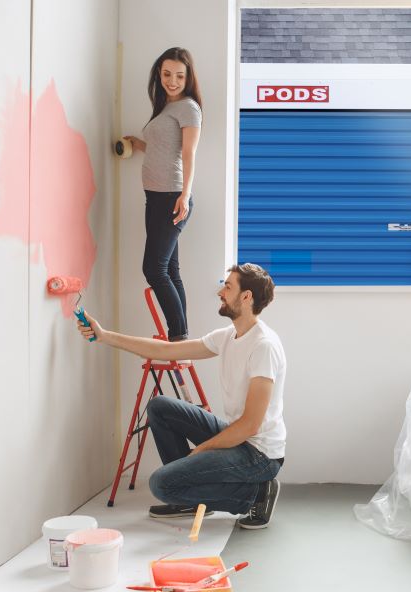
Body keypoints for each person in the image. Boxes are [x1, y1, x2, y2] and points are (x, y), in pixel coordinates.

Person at [77, 263, 286, 529]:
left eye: (228, 286)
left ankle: (256, 495)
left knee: (160, 484)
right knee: (160, 407)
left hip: (260, 454)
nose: (221, 292)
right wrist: (105, 336)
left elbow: (250, 425)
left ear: (247, 297)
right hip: (239, 436)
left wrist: (202, 449)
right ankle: (189, 495)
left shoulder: (263, 346)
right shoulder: (229, 336)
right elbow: (166, 351)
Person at [124, 47, 202, 341]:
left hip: (173, 196)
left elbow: (188, 153)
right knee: (170, 268)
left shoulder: (189, 108)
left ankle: (178, 336)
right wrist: (139, 144)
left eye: (179, 76)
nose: (172, 81)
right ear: (160, 73)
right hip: (156, 196)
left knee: (154, 268)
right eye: (167, 74)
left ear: (187, 78)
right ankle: (180, 335)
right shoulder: (166, 108)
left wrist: (185, 194)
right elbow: (163, 149)